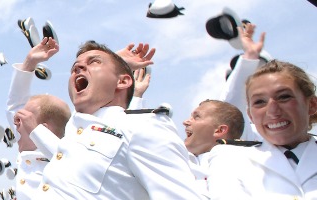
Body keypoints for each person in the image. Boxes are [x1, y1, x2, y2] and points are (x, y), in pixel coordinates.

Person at [38, 40, 204, 199]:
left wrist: (115, 65)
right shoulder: (75, 131)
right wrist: (114, 62)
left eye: (94, 62)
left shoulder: (141, 127)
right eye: (74, 68)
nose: (78, 68)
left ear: (123, 81)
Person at [204, 58, 317, 198]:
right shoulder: (230, 159)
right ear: (250, 115)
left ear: (312, 105)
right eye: (259, 102)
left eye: (284, 97)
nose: (273, 111)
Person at [7, 37, 71, 200]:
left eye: (24, 119)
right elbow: (15, 105)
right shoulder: (31, 152)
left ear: (44, 129)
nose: (15, 123)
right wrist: (29, 63)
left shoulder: (65, 160)